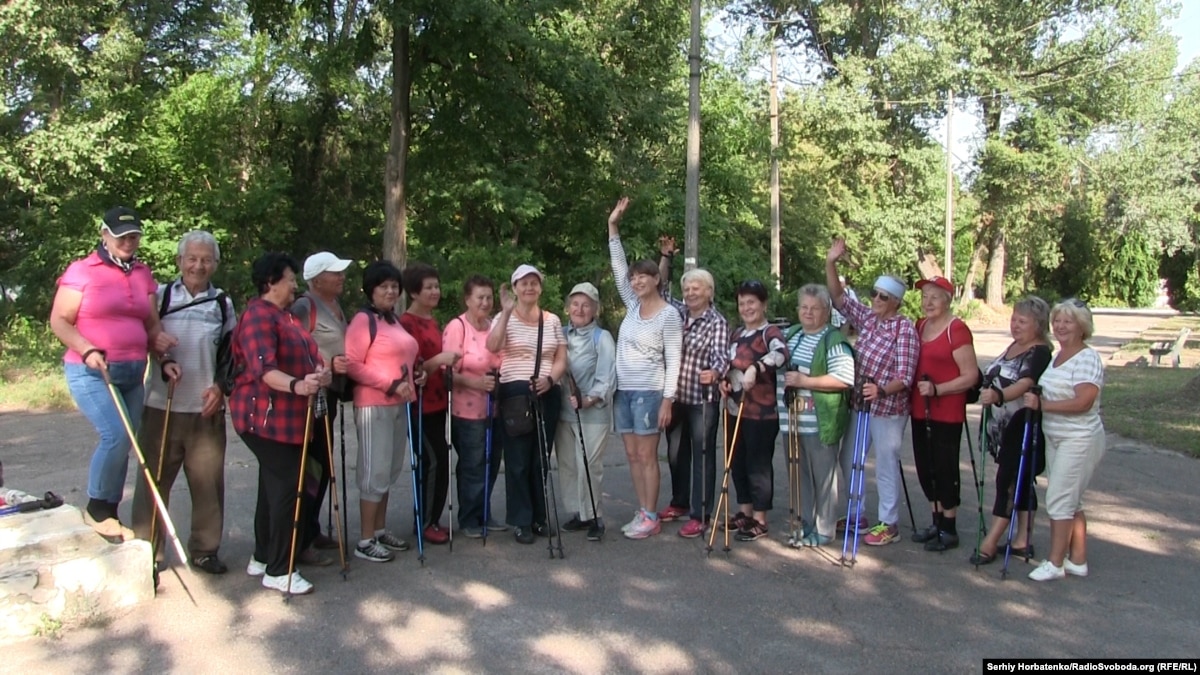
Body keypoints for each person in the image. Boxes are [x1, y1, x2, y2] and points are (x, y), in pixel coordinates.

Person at [49, 206, 178, 542]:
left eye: (134, 236)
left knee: (129, 440)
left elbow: (150, 324)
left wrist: (161, 347)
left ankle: (109, 510)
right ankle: (96, 508)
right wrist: (87, 347)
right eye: (121, 236)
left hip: (134, 370)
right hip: (91, 370)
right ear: (104, 235)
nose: (129, 242)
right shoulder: (83, 271)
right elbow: (59, 320)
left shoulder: (141, 274)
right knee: (116, 435)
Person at [132, 231, 235, 574]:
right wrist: (162, 360)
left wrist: (221, 388)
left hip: (206, 409)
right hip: (162, 406)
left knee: (207, 485)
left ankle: (205, 550)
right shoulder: (159, 297)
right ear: (179, 261)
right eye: (192, 258)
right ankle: (146, 550)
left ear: (215, 264)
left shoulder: (222, 303)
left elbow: (232, 354)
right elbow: (143, 340)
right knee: (153, 481)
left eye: (206, 259)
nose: (198, 265)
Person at [232, 253, 332, 596]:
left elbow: (311, 356)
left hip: (287, 419)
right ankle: (279, 569)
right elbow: (263, 368)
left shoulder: (286, 317)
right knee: (288, 486)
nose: (294, 284)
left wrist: (321, 371)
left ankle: (262, 557)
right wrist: (297, 385)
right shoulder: (258, 316)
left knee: (273, 486)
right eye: (290, 279)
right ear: (271, 283)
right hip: (263, 417)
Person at [825, 237, 918, 547]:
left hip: (887, 408)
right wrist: (831, 262)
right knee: (850, 456)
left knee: (887, 461)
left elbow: (905, 375)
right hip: (859, 402)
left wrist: (881, 389)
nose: (876, 299)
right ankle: (856, 514)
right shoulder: (867, 319)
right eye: (875, 294)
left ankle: (889, 523)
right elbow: (839, 299)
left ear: (896, 302)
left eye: (883, 296)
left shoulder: (903, 328)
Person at [606, 198, 683, 540]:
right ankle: (642, 509)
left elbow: (675, 358)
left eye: (642, 278)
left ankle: (651, 514)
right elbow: (616, 262)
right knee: (632, 453)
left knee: (648, 455)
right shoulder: (632, 306)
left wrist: (668, 400)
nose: (636, 282)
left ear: (656, 280)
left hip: (651, 393)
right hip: (624, 391)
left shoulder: (668, 314)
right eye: (633, 278)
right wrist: (613, 226)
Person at [1022, 300, 1106, 582]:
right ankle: (1077, 559)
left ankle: (1055, 562)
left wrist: (1042, 405)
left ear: (1082, 326)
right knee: (1072, 500)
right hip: (1056, 436)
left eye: (1067, 322)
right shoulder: (1059, 356)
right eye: (1057, 321)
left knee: (1059, 499)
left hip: (1079, 438)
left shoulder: (1086, 358)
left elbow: (1083, 402)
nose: (1060, 326)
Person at [344, 261, 422, 563]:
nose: (390, 291)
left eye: (394, 286)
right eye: (384, 286)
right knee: (373, 470)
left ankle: (378, 530)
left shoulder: (392, 320)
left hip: (399, 404)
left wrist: (416, 377)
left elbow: (404, 358)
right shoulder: (364, 321)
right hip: (374, 405)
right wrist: (389, 384)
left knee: (388, 470)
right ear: (371, 290)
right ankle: (364, 540)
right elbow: (352, 364)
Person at [969, 297, 1052, 566]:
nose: (1015, 325)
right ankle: (1022, 541)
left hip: (1022, 424)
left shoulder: (1039, 352)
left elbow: (1026, 383)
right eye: (1014, 318)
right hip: (1003, 427)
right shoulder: (1016, 345)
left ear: (1038, 325)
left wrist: (999, 395)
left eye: (1022, 321)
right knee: (1021, 481)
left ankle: (990, 542)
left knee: (1007, 481)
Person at [486, 264, 566, 544]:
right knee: (518, 460)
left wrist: (551, 380)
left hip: (546, 390)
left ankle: (539, 517)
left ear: (541, 287)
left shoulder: (552, 320)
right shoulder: (503, 316)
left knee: (540, 459)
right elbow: (493, 346)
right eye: (523, 283)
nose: (529, 287)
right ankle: (521, 520)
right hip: (515, 392)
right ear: (515, 288)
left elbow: (560, 358)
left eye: (534, 283)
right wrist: (506, 312)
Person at [656, 237, 729, 539]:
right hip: (676, 397)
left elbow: (723, 355)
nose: (689, 293)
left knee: (702, 454)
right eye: (687, 289)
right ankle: (679, 502)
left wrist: (715, 371)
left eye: (695, 289)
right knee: (675, 454)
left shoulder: (717, 321)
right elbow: (660, 289)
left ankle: (701, 513)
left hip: (702, 400)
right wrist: (665, 258)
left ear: (708, 292)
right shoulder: (678, 313)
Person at [778, 284, 854, 547]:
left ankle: (824, 529)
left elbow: (844, 379)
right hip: (791, 420)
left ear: (826, 311)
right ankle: (804, 523)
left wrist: (805, 381)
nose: (808, 313)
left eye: (815, 308)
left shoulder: (833, 340)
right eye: (804, 307)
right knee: (799, 475)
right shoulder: (792, 334)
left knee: (824, 477)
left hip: (820, 420)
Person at [290, 251, 353, 559]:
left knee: (324, 464)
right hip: (310, 398)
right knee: (311, 467)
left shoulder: (334, 305)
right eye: (334, 273)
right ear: (316, 279)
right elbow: (293, 349)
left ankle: (312, 530)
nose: (341, 276)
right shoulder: (304, 306)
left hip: (328, 398)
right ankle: (299, 540)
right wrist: (329, 363)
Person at [909, 276, 979, 551]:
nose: (928, 302)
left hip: (946, 411)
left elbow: (970, 376)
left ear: (948, 300)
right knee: (925, 466)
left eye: (935, 297)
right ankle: (936, 521)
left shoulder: (957, 329)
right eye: (925, 296)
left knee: (945, 467)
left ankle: (949, 527)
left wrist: (938, 389)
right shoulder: (920, 325)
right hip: (918, 407)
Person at [721, 280, 788, 542]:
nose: (746, 308)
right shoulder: (736, 334)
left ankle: (760, 518)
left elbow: (782, 354)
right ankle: (744, 511)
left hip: (761, 413)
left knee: (757, 465)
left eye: (752, 302)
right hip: (735, 409)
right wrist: (723, 382)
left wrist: (756, 368)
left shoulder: (768, 332)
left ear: (763, 304)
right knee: (736, 461)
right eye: (742, 303)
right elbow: (728, 365)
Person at [400, 263, 460, 545]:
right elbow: (412, 368)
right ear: (414, 292)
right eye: (429, 287)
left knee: (439, 460)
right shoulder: (406, 324)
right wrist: (439, 361)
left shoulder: (432, 321)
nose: (435, 291)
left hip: (438, 403)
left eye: (437, 286)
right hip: (419, 405)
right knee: (432, 462)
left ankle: (432, 519)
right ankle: (424, 522)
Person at [443, 275, 506, 537]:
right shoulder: (457, 327)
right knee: (472, 464)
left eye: (489, 297)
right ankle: (469, 518)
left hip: (495, 407)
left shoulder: (494, 326)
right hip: (466, 410)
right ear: (467, 299)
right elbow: (447, 374)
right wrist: (475, 383)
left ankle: (484, 512)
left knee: (491, 462)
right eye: (479, 297)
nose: (485, 302)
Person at [555, 282, 617, 542]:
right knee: (568, 465)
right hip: (563, 412)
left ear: (595, 309)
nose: (580, 309)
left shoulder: (601, 338)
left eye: (586, 304)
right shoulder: (560, 334)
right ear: (568, 307)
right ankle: (579, 514)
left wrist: (589, 399)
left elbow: (607, 378)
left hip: (593, 414)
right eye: (575, 304)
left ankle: (594, 516)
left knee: (589, 465)